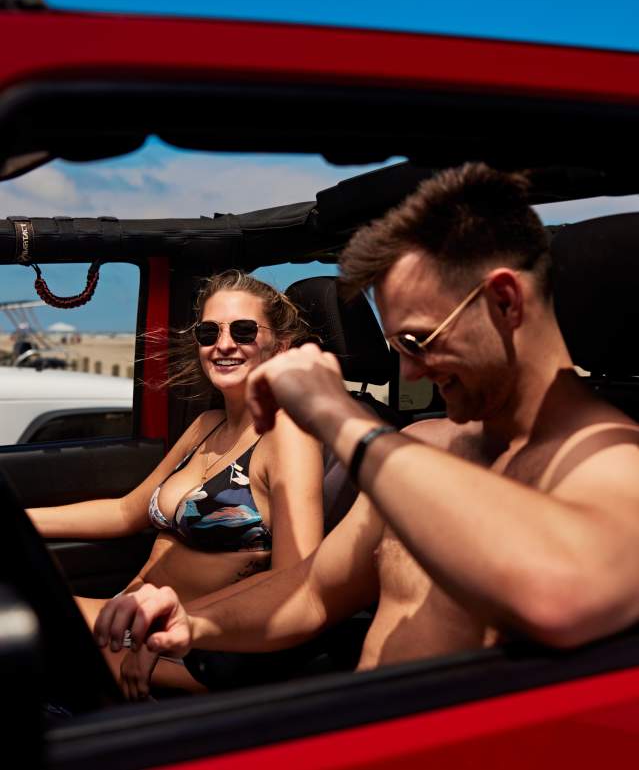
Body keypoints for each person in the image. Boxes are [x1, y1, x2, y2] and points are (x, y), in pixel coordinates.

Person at [94, 163, 639, 685]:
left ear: (504, 301)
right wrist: (193, 624)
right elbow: (310, 594)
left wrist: (340, 417)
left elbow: (562, 596)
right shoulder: (422, 445)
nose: (407, 371)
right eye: (396, 345)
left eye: (417, 340)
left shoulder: (613, 462)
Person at [29, 270, 324, 699]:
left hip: (192, 650)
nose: (223, 344)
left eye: (243, 331)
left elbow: (297, 583)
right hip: (129, 621)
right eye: (209, 332)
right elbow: (125, 512)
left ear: (280, 346)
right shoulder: (207, 425)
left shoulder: (287, 436)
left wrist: (179, 629)